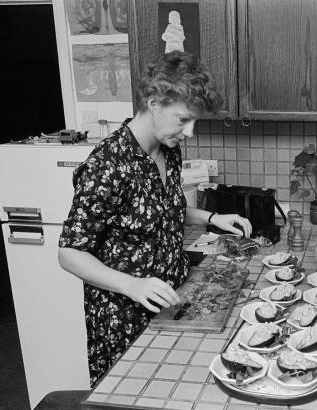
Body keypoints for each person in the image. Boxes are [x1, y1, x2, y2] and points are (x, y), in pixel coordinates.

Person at [58, 50, 252, 385]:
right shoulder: (109, 165)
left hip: (172, 302)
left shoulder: (168, 149)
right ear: (153, 103)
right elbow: (69, 252)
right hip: (126, 318)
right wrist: (132, 285)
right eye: (183, 119)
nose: (190, 132)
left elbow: (162, 208)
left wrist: (212, 217)